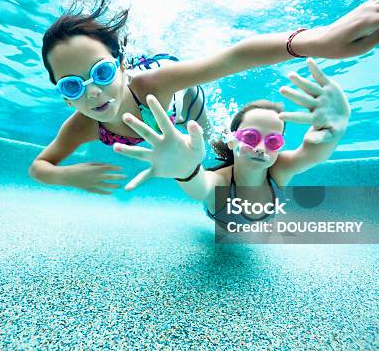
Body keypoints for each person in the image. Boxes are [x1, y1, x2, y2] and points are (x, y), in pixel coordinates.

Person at [29, 0, 379, 195]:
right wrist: (69, 177)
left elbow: (233, 58)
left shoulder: (152, 83)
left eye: (101, 73)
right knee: (192, 160)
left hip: (189, 107)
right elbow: (39, 166)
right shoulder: (81, 124)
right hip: (166, 134)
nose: (93, 93)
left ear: (120, 64)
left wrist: (317, 40)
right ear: (62, 94)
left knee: (221, 147)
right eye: (72, 85)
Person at [113, 59, 350, 226]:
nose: (260, 148)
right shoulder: (221, 183)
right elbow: (201, 187)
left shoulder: (279, 169)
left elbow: (313, 153)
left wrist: (334, 130)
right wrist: (185, 170)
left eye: (273, 141)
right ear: (232, 140)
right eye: (250, 137)